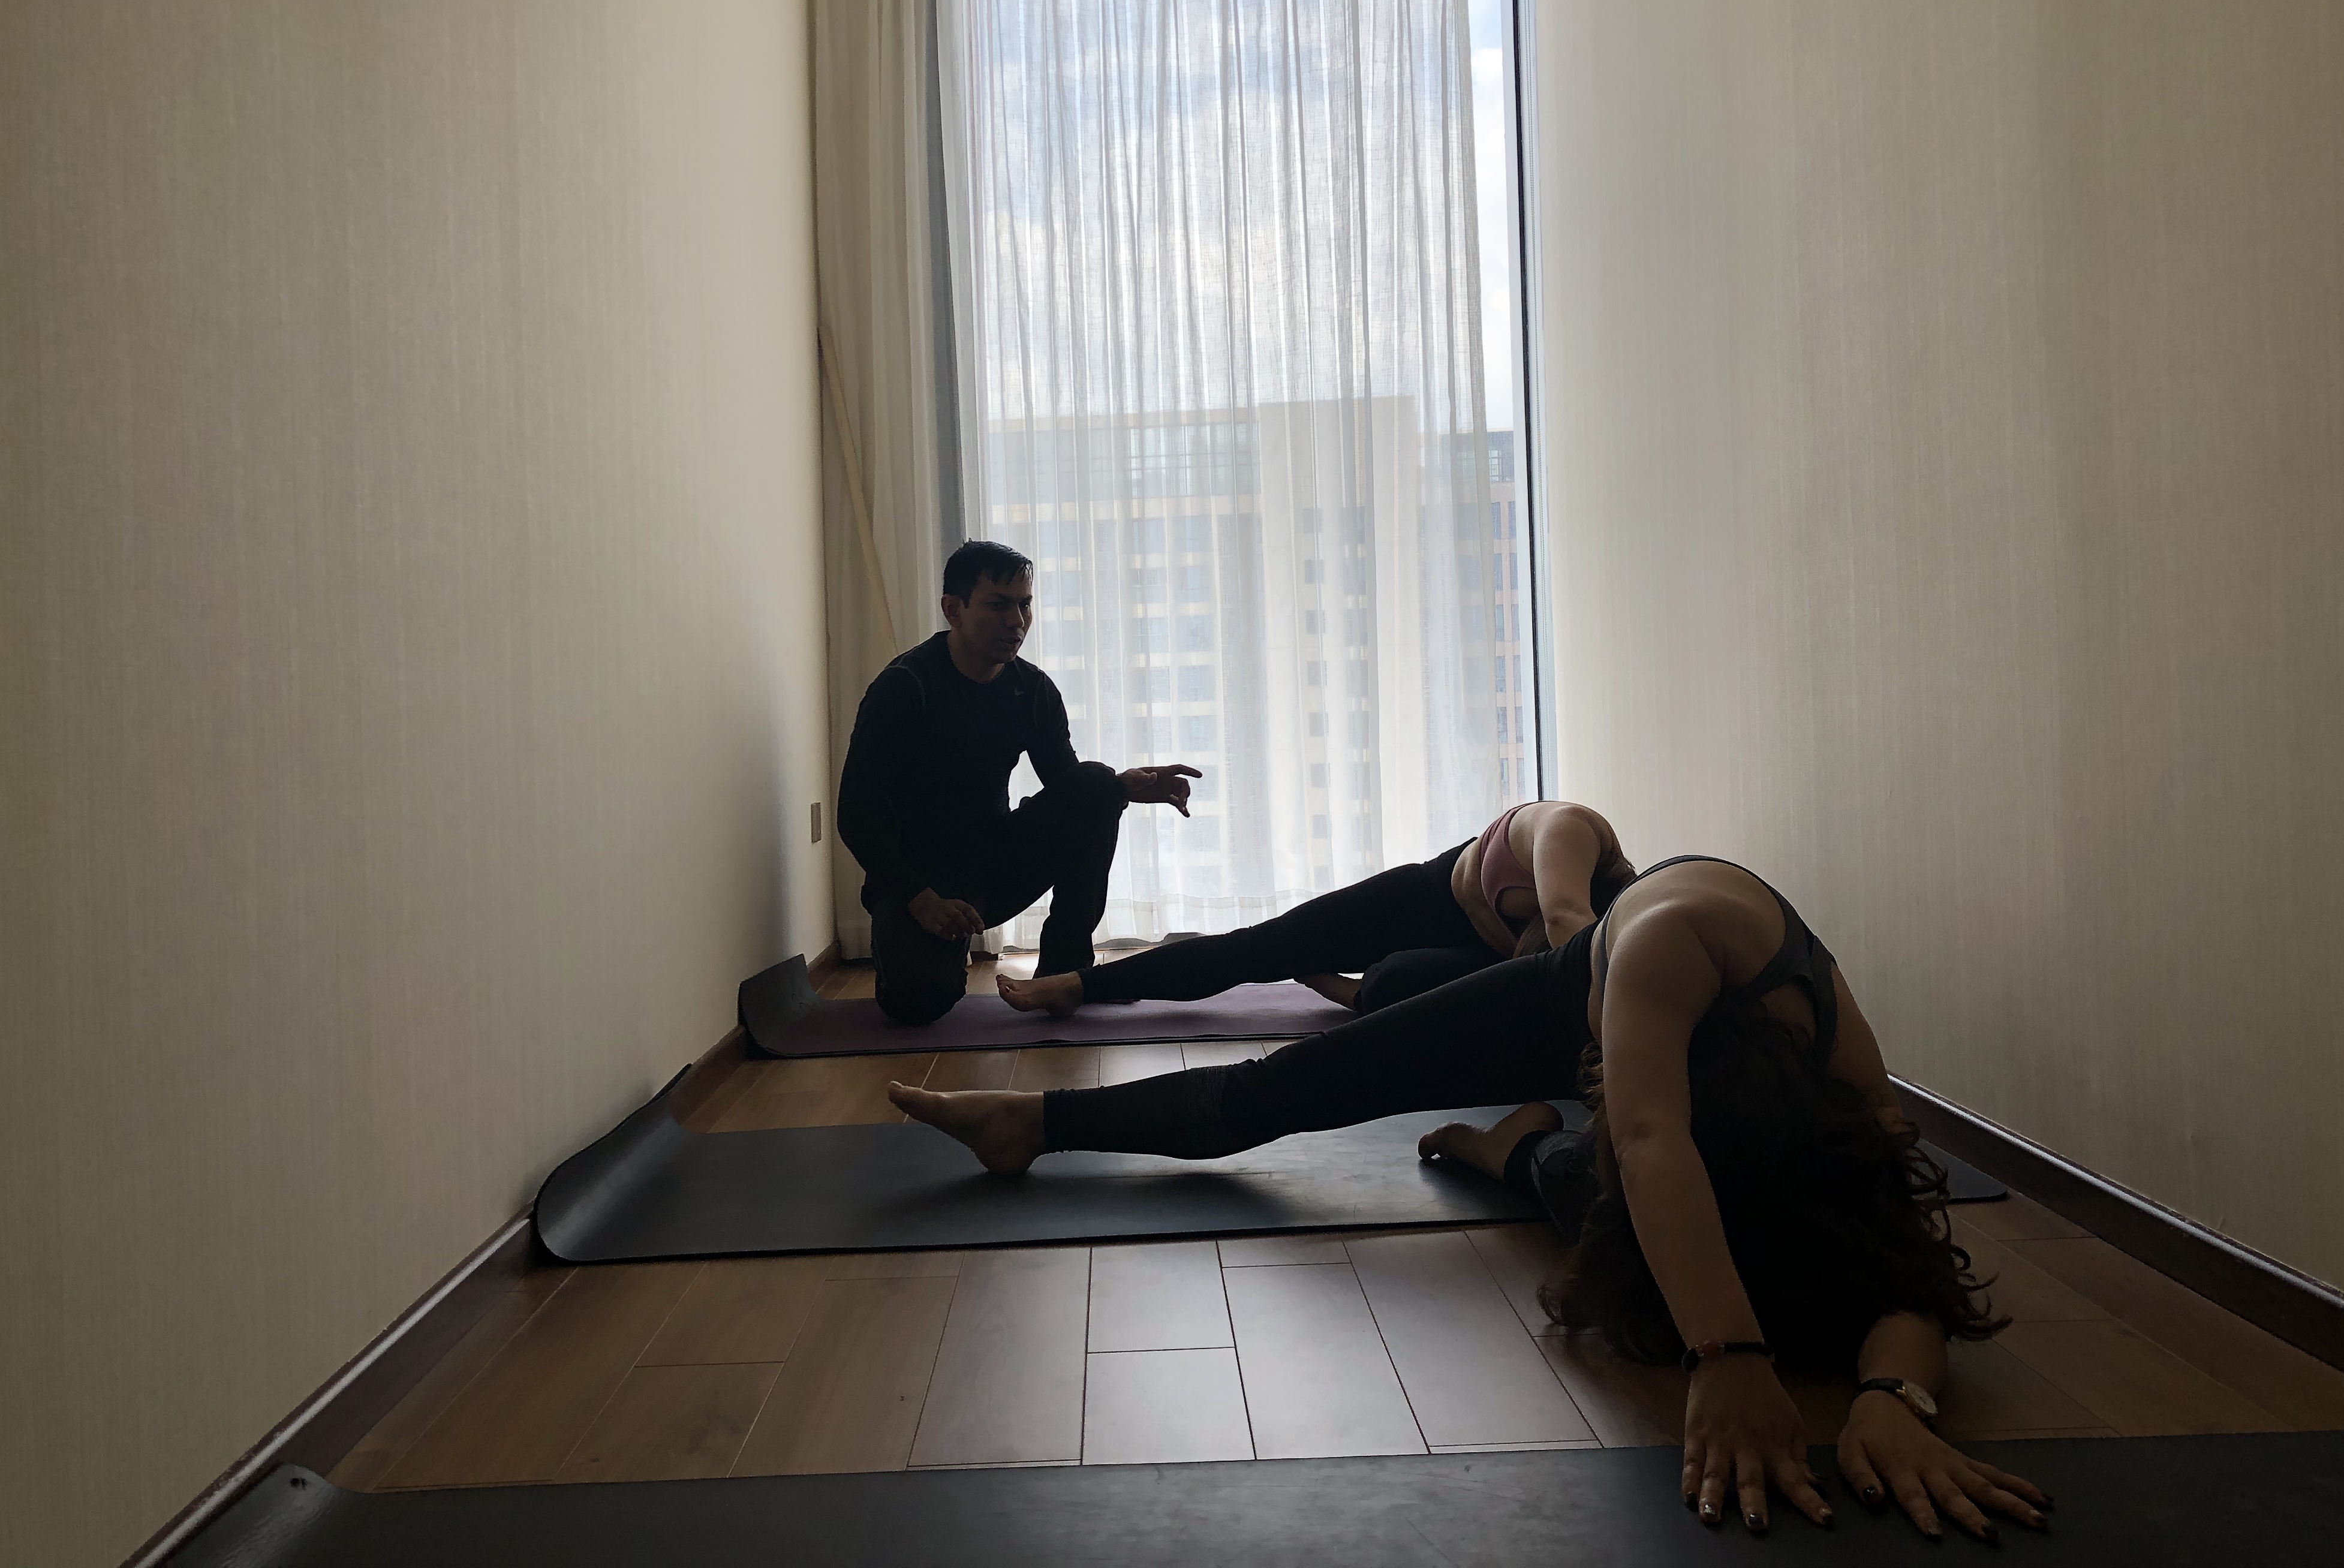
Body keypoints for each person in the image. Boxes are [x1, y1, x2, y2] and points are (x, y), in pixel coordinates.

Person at [890, 854, 2055, 1543]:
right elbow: (1650, 1137)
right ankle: (1031, 1123)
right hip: (1559, 990)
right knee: (1288, 1089)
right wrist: (1731, 1356)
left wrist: (1894, 1395)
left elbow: (1904, 1253)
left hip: (1662, 1103)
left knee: (1616, 1226)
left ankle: (1518, 1154)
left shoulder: (1846, 1074)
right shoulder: (1673, 948)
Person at [836, 540, 1202, 1025]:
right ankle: (918, 954)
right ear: (953, 610)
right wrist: (919, 900)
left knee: (1098, 783)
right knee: (917, 1004)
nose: (1017, 622)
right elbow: (857, 815)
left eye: (1024, 605)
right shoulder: (904, 687)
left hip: (996, 863)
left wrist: (1124, 789)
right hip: (920, 882)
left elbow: (1072, 791)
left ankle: (1066, 973)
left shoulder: (1032, 689)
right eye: (998, 605)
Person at [998, 799, 1635, 1018]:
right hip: (1429, 897)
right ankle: (1079, 986)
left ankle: (1340, 988)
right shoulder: (1573, 831)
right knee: (1257, 949)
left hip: (1475, 953)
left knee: (1395, 986)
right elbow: (1565, 926)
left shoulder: (1605, 916)